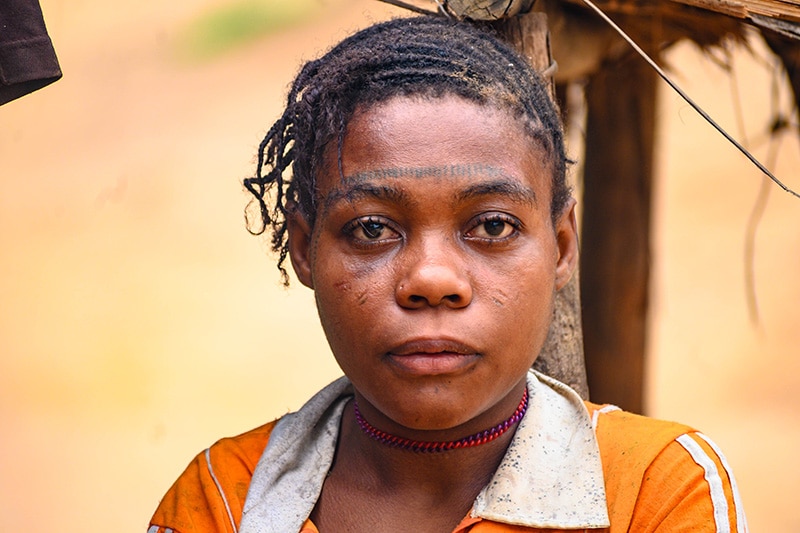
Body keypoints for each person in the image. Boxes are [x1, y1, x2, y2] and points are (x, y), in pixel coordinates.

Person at [149, 15, 746, 533]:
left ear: (562, 246)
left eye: (490, 227)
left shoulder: (654, 490)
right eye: (372, 229)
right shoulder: (223, 503)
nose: (433, 279)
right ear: (305, 250)